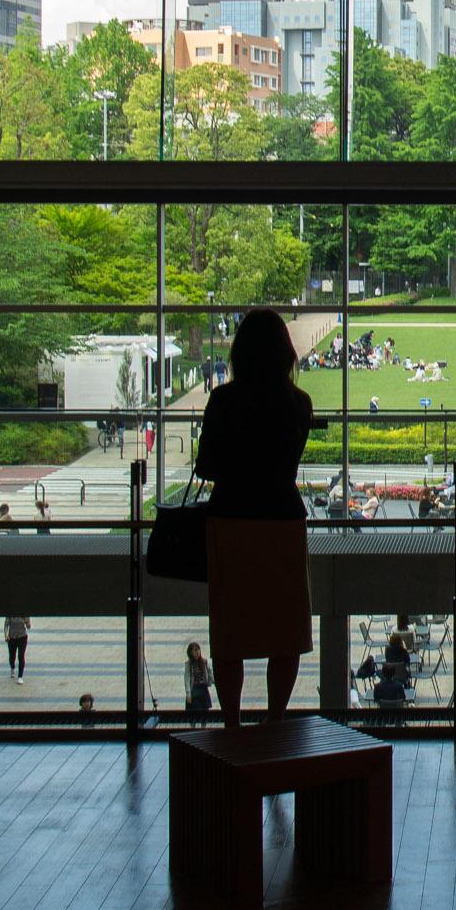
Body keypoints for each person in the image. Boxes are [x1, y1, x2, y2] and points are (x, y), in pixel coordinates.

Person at [195, 309, 316, 728]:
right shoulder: (298, 403)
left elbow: (207, 466)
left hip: (231, 519)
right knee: (284, 632)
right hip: (282, 519)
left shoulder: (223, 401)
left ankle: (231, 725)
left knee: (231, 632)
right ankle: (274, 722)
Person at [184, 642, 213, 718]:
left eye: (198, 650)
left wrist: (211, 682)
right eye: (194, 651)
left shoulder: (204, 661)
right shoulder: (188, 664)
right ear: (190, 653)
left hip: (203, 689)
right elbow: (187, 680)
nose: (197, 652)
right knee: (193, 714)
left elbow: (210, 673)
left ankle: (204, 727)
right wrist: (188, 694)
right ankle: (193, 728)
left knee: (205, 713)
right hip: (194, 691)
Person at [4, 615, 29, 682]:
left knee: (21, 656)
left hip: (22, 637)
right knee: (12, 656)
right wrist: (6, 635)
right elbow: (6, 625)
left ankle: (20, 676)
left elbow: (28, 626)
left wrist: (27, 622)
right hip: (12, 638)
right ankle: (12, 668)